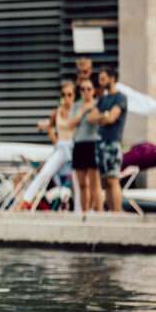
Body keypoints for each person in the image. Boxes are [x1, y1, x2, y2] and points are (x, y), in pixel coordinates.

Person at [18, 82, 78, 210]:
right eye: (64, 94)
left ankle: (80, 209)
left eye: (69, 94)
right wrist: (55, 140)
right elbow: (50, 126)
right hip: (61, 146)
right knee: (44, 173)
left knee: (77, 179)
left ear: (74, 96)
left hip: (74, 146)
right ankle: (24, 201)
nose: (66, 97)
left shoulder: (78, 110)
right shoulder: (57, 111)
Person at [88, 67, 128, 213]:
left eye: (103, 79)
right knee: (105, 181)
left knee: (112, 178)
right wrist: (104, 116)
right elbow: (91, 118)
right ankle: (112, 212)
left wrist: (104, 117)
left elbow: (112, 118)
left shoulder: (120, 98)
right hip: (100, 143)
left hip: (113, 143)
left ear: (112, 78)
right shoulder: (103, 99)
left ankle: (117, 213)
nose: (100, 82)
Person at [71, 78, 101, 212]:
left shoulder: (98, 104)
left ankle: (99, 212)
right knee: (82, 183)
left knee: (94, 183)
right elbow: (71, 123)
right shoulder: (77, 106)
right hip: (79, 144)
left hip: (92, 144)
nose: (86, 92)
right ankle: (84, 213)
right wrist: (83, 110)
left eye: (89, 89)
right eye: (82, 89)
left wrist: (92, 109)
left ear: (93, 91)